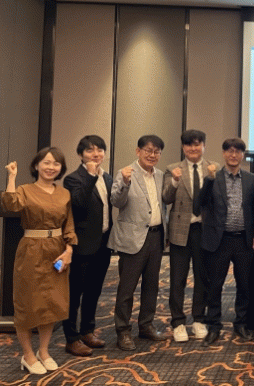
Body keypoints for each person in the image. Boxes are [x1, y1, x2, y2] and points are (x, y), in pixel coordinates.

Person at [2, 148, 76, 375]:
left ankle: (43, 351)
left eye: (56, 164)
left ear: (61, 168)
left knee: (51, 304)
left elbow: (69, 225)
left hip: (57, 251)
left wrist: (69, 250)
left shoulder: (64, 194)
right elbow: (11, 205)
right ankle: (28, 355)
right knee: (27, 304)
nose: (51, 167)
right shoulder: (26, 190)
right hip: (31, 250)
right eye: (46, 162)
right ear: (36, 165)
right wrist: (12, 177)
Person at [196, 137, 254, 345]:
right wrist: (208, 180)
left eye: (238, 151)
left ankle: (240, 323)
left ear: (243, 155)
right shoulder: (213, 177)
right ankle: (213, 325)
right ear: (224, 154)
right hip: (219, 240)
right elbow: (199, 204)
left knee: (244, 285)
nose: (234, 155)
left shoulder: (251, 179)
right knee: (215, 285)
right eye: (230, 151)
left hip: (243, 240)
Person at [109, 135, 168, 351]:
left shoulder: (160, 175)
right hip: (133, 239)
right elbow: (116, 201)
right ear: (138, 151)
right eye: (148, 150)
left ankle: (146, 325)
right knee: (127, 289)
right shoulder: (125, 173)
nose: (152, 155)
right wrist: (125, 183)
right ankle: (123, 331)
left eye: (156, 152)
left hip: (156, 237)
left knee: (151, 286)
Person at [163, 129, 219, 342]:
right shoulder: (172, 169)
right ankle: (178, 322)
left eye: (197, 144)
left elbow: (218, 200)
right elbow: (166, 198)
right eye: (189, 144)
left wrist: (213, 179)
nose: (193, 148)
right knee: (178, 279)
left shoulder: (214, 168)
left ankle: (198, 319)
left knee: (202, 277)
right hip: (180, 231)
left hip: (204, 230)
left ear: (204, 146)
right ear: (183, 147)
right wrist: (175, 181)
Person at [62, 135, 113, 357]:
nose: (96, 154)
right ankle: (71, 338)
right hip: (81, 245)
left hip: (103, 243)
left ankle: (87, 331)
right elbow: (79, 204)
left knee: (94, 290)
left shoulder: (108, 178)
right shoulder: (73, 179)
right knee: (74, 294)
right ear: (80, 154)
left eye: (100, 150)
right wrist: (91, 176)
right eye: (90, 150)